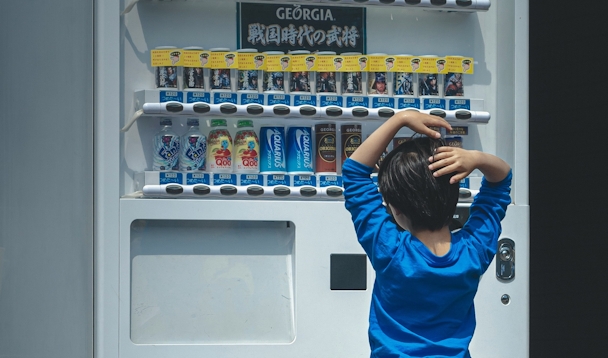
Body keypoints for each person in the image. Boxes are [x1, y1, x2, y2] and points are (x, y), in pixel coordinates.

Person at [342, 110, 512, 358]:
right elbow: (502, 180)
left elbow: (354, 173)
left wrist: (399, 119)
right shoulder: (473, 251)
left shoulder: (389, 250)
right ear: (454, 196)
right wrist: (475, 158)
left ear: (395, 209)